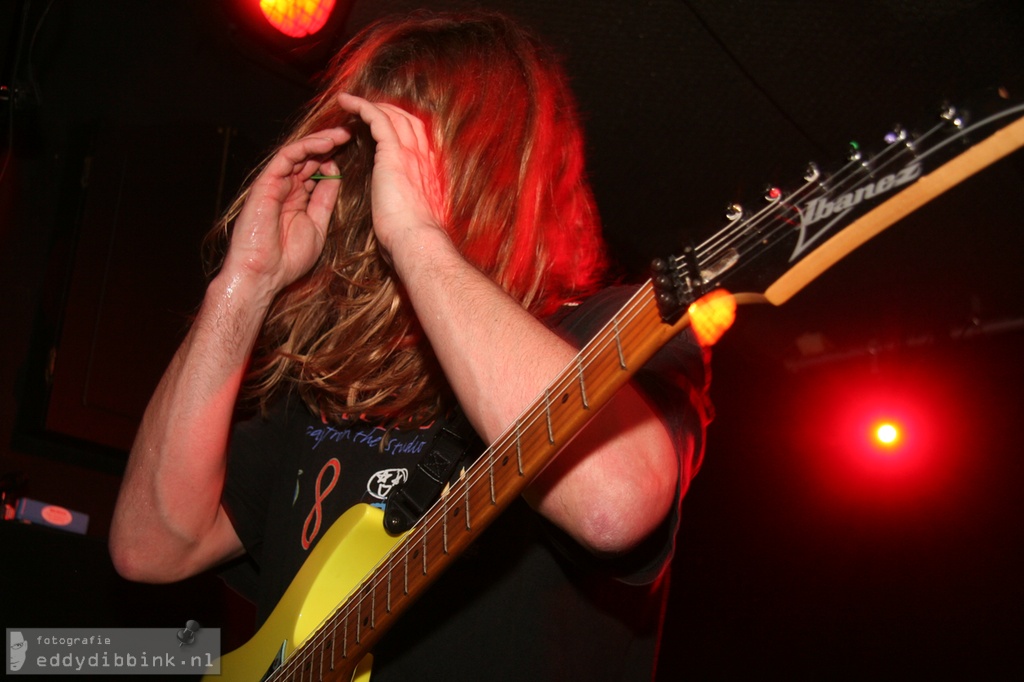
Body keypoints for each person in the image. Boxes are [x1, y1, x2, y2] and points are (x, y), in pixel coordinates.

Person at [110, 10, 711, 681]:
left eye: (400, 152)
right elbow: (150, 546)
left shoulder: (611, 333)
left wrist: (418, 237)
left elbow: (612, 503)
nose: (369, 179)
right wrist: (244, 285)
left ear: (484, 170)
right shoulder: (335, 374)